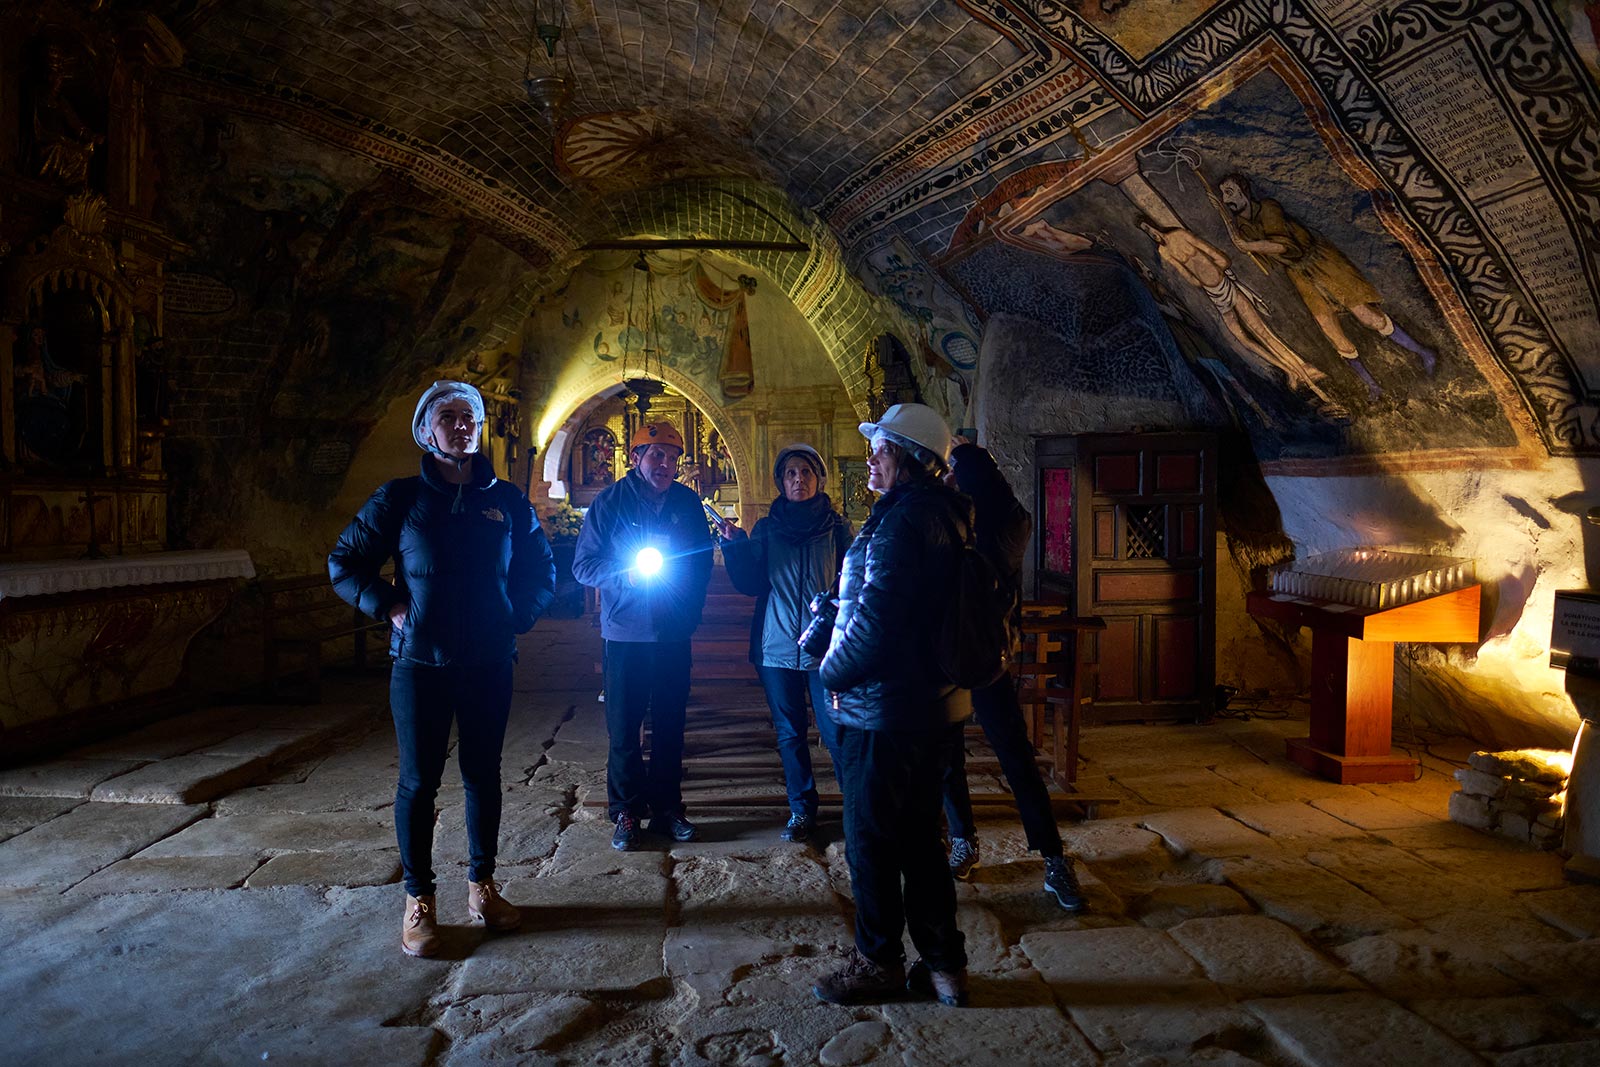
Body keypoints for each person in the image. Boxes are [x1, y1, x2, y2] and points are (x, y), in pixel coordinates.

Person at [329, 380, 556, 958]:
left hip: (487, 661)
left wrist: (517, 617)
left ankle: (483, 887)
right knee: (418, 781)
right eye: (449, 417)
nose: (462, 426)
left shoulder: (505, 500)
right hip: (421, 663)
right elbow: (345, 561)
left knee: (483, 774)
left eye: (469, 418)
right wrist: (389, 604)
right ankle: (419, 901)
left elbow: (541, 568)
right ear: (426, 431)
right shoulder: (400, 497)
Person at [812, 403, 973, 1009]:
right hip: (931, 707)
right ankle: (944, 968)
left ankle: (877, 961)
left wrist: (830, 670)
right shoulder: (946, 514)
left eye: (879, 449)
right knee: (920, 840)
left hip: (884, 710)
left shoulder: (904, 521)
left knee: (871, 840)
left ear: (906, 457)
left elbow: (877, 622)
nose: (870, 459)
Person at [939, 436, 1087, 913]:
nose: (948, 479)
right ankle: (963, 840)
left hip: (982, 655)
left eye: (956, 472)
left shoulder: (1002, 526)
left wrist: (958, 473)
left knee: (1015, 756)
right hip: (943, 654)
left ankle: (1053, 856)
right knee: (946, 757)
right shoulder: (946, 516)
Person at [572, 420, 714, 852]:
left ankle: (668, 809)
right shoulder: (610, 503)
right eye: (656, 455)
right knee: (624, 728)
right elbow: (583, 566)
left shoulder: (688, 504)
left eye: (672, 457)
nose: (665, 464)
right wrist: (624, 575)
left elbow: (702, 563)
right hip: (626, 634)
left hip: (672, 633)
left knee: (671, 725)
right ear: (635, 459)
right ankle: (627, 812)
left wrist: (688, 611)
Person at [716, 444, 852, 843]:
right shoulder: (767, 529)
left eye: (806, 472)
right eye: (790, 474)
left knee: (836, 732)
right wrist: (736, 546)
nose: (798, 480)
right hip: (776, 647)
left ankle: (857, 809)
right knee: (790, 734)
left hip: (825, 650)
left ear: (818, 479)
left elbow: (851, 582)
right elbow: (751, 584)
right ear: (780, 482)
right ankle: (802, 811)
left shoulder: (837, 528)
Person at [1215, 173, 1437, 400]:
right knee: (1331, 331)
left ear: (1244, 191)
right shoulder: (1243, 226)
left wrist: (1251, 245)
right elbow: (1267, 260)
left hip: (1321, 261)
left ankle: (1424, 353)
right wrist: (1243, 241)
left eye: (1230, 192)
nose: (1226, 198)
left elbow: (1284, 245)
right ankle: (1373, 386)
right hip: (1298, 274)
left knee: (1367, 316)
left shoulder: (1268, 208)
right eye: (1223, 194)